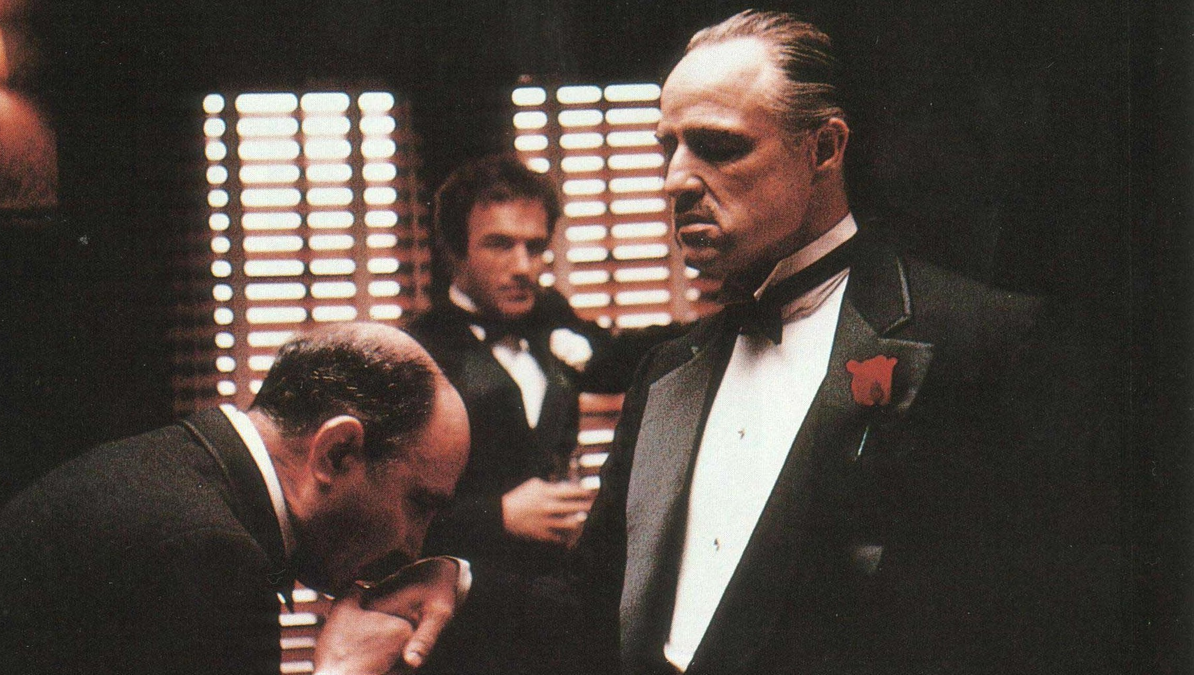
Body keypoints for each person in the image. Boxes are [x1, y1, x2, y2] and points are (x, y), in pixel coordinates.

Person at [426, 10, 1117, 675]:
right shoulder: (666, 372)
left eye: (718, 145)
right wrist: (458, 582)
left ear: (824, 149)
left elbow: (1042, 625)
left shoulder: (985, 341)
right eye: (668, 147)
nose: (675, 180)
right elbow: (596, 607)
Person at [0, 323, 471, 675]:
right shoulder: (209, 554)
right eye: (418, 505)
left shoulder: (173, 475)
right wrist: (343, 671)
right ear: (336, 452)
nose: (414, 546)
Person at [407, 154, 682, 674]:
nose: (523, 267)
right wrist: (498, 516)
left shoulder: (550, 314)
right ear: (454, 252)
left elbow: (620, 360)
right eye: (499, 244)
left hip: (560, 611)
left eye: (535, 247)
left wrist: (725, 320)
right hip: (467, 625)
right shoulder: (416, 351)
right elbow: (385, 517)